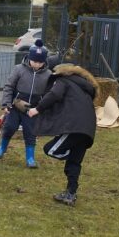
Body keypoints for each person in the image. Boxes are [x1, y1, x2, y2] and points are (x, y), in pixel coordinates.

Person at [27, 55, 98, 206]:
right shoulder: (82, 85)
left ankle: (70, 189)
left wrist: (37, 109)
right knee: (74, 162)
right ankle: (71, 193)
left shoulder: (63, 80)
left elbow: (54, 94)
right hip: (88, 129)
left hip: (74, 127)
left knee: (50, 149)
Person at [0, 39, 52, 168]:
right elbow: (9, 86)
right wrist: (6, 103)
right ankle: (2, 148)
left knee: (30, 133)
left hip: (32, 110)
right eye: (34, 61)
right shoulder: (19, 69)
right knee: (9, 127)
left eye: (40, 62)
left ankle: (30, 158)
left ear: (44, 61)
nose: (37, 64)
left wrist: (41, 108)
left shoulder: (48, 75)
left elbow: (49, 94)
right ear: (29, 58)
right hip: (16, 106)